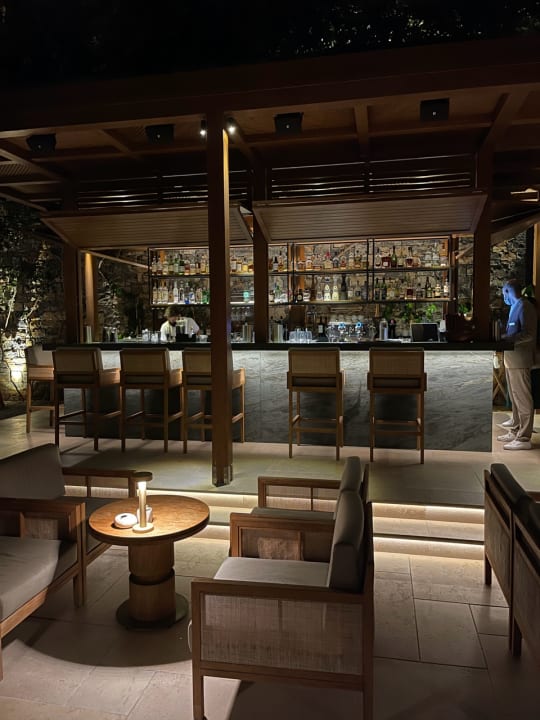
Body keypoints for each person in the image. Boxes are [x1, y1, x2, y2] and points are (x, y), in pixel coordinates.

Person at [497, 279, 537, 450]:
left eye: (503, 293)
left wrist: (508, 339)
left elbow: (530, 334)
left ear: (507, 291)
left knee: (523, 399)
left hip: (520, 359)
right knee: (515, 398)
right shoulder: (514, 307)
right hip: (511, 359)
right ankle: (515, 431)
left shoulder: (525, 306)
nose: (503, 297)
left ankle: (524, 438)